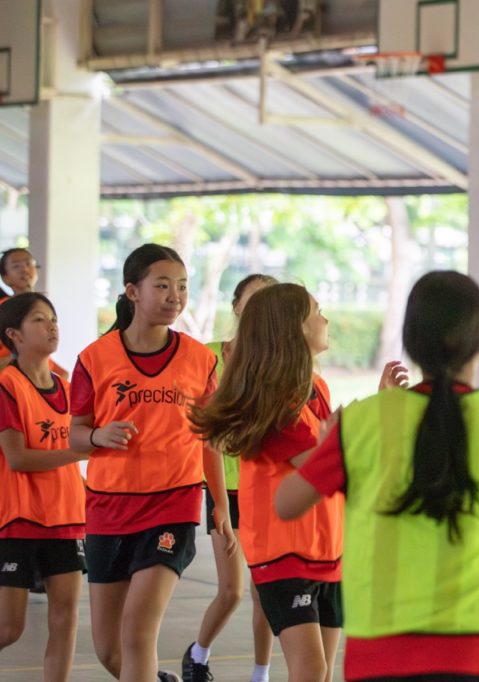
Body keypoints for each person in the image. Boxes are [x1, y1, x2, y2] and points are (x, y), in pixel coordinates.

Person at [275, 270, 479, 682]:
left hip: (380, 650)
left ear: (410, 342)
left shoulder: (362, 423)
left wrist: (327, 448)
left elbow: (287, 504)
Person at [191, 282, 407, 682]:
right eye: (317, 312)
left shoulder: (314, 389)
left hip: (327, 550)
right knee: (310, 668)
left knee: (319, 672)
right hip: (286, 553)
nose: (326, 319)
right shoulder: (277, 405)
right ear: (295, 329)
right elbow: (326, 464)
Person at [69, 243, 235, 682]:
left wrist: (219, 503)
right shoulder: (94, 359)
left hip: (171, 505)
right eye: (162, 286)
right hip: (107, 509)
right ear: (132, 292)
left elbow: (209, 438)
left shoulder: (200, 359)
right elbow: (75, 434)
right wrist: (97, 436)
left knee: (138, 632)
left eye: (182, 286)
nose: (174, 296)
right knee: (109, 649)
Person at [182, 273, 278, 682]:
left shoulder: (276, 366)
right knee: (231, 590)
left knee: (264, 593)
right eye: (251, 299)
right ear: (237, 305)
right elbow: (203, 431)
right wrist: (218, 500)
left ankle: (260, 673)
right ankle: (198, 654)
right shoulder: (207, 356)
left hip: (264, 490)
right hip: (223, 488)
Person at [0, 293, 87, 681]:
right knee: (9, 628)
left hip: (66, 517)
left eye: (53, 318)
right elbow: (18, 458)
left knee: (65, 619)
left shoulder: (68, 388)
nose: (52, 326)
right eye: (39, 319)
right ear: (14, 335)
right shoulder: (7, 385)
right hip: (18, 519)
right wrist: (81, 452)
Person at [0, 249, 68, 380]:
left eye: (28, 263)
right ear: (5, 278)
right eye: (16, 266)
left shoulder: (42, 304)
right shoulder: (3, 308)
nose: (24, 269)